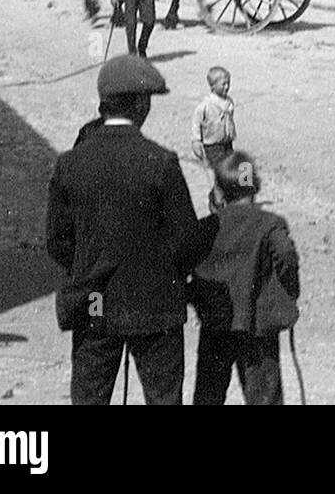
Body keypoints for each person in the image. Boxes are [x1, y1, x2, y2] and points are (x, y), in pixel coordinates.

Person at [45, 55, 217, 405]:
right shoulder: (161, 162)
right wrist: (159, 271)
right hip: (155, 305)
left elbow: (58, 241)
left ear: (103, 105)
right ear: (140, 104)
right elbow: (185, 240)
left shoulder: (70, 163)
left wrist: (88, 267)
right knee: (163, 400)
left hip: (94, 304)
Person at [188, 151, 300, 405]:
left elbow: (185, 261)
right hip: (257, 327)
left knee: (208, 396)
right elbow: (286, 255)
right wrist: (286, 291)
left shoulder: (208, 226)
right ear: (256, 186)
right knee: (264, 398)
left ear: (219, 191)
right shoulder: (271, 223)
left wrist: (196, 296)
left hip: (216, 324)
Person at [191, 66, 237, 169]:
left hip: (227, 143)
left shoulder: (229, 102)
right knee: (219, 170)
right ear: (213, 86)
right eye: (223, 84)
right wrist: (196, 141)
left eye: (228, 83)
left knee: (229, 168)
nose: (227, 87)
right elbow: (196, 123)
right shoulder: (206, 105)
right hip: (212, 145)